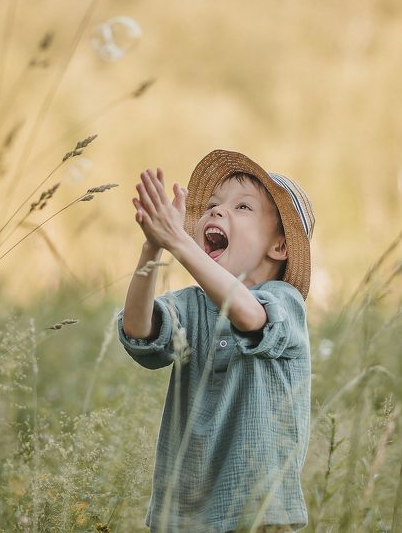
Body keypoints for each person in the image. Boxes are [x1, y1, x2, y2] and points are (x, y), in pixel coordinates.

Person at [118, 149, 315, 533]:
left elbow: (249, 315)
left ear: (279, 247)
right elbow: (139, 331)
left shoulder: (285, 304)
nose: (216, 212)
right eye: (211, 205)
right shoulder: (192, 306)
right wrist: (153, 249)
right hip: (187, 511)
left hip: (259, 510)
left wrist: (180, 243)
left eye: (242, 207)